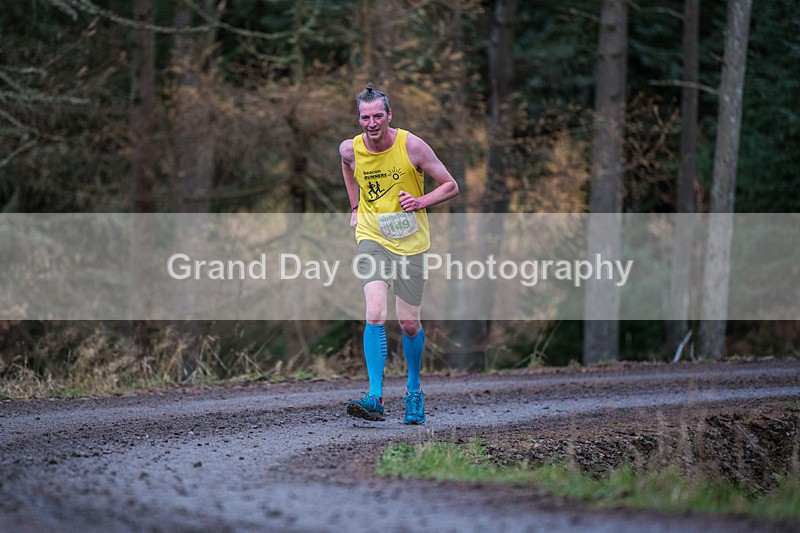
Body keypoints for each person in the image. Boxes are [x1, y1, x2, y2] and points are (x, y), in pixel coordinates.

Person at [339, 83, 459, 424]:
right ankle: (374, 396)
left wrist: (420, 202)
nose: (371, 123)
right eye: (365, 117)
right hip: (372, 236)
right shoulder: (351, 149)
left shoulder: (413, 146)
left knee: (408, 323)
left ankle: (414, 391)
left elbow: (450, 185)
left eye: (378, 115)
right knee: (375, 311)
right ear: (359, 118)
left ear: (389, 115)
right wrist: (355, 205)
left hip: (410, 244)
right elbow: (346, 165)